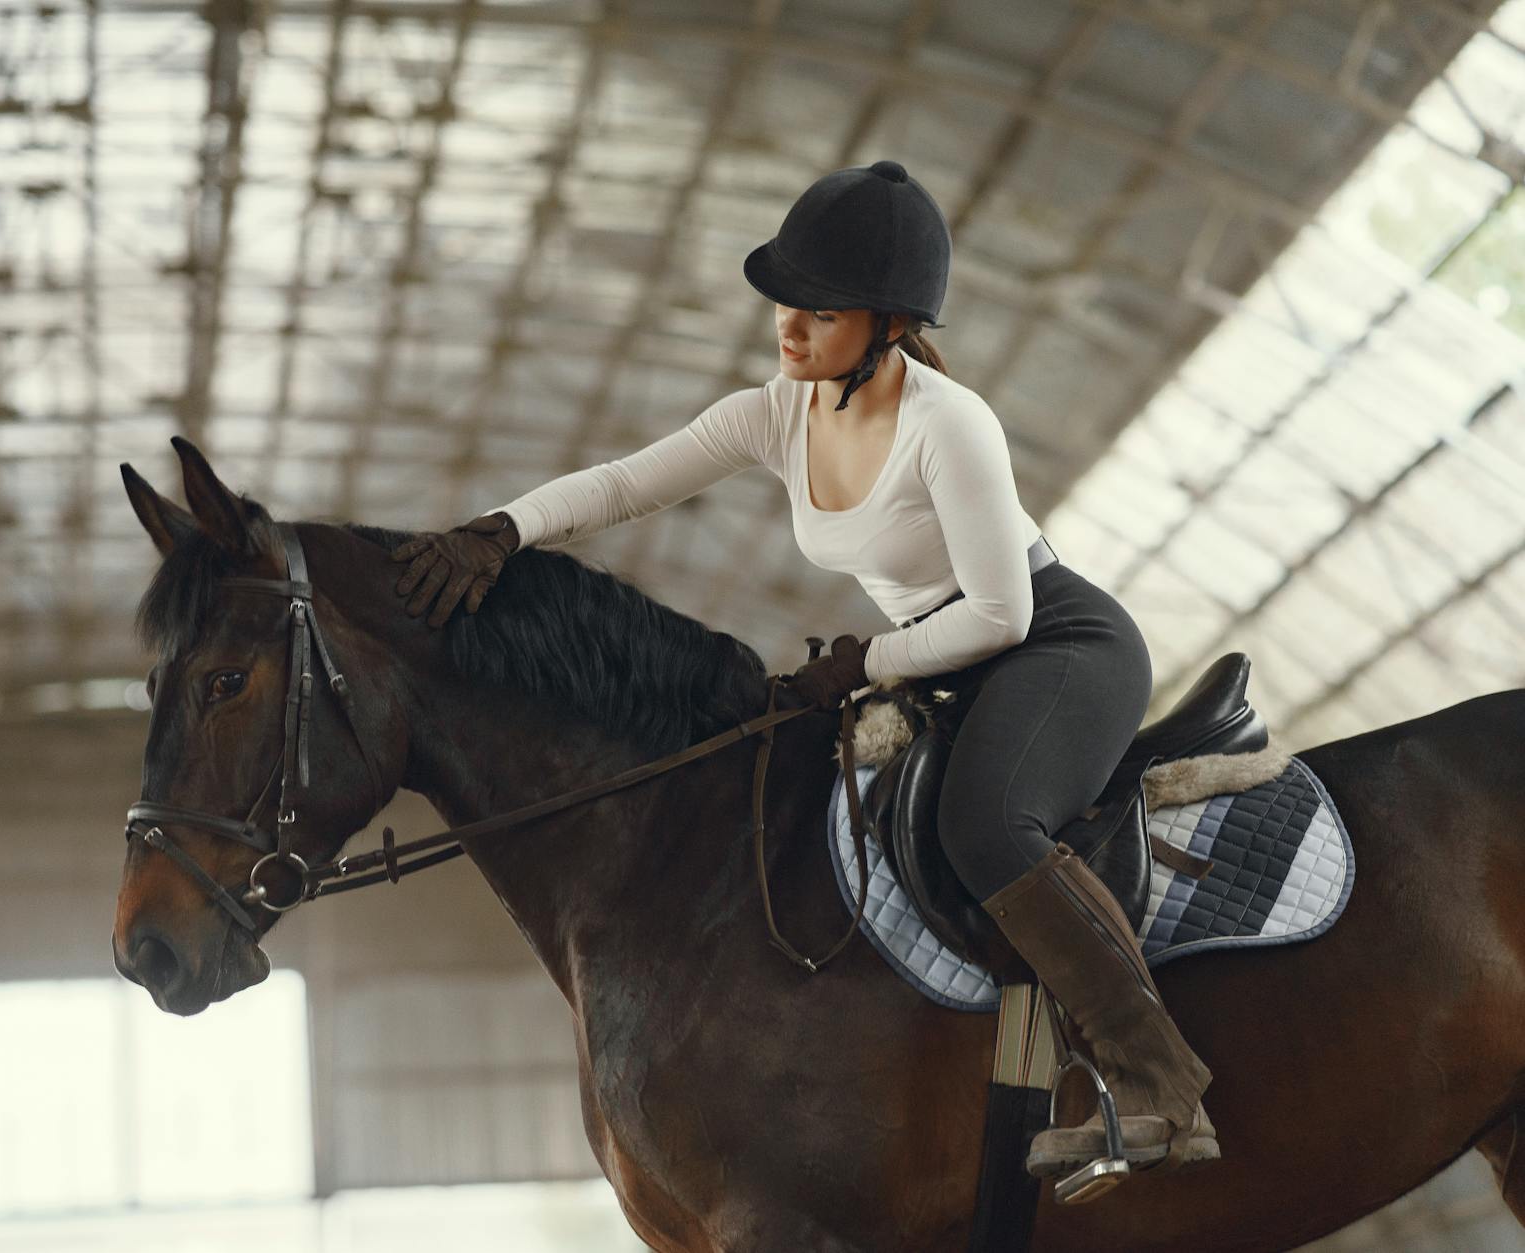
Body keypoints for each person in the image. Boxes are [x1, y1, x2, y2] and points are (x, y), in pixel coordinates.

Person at [386, 160, 1218, 1186]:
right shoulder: (776, 412)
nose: (788, 328)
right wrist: (503, 530)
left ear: (888, 325)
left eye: (819, 312)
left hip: (1054, 646)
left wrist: (866, 662)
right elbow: (625, 485)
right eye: (786, 302)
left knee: (985, 826)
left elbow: (998, 613)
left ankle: (1159, 1084)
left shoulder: (949, 424)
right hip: (941, 662)